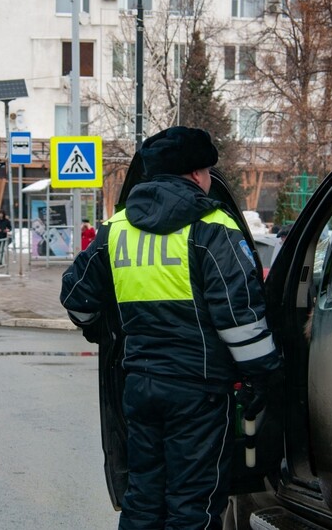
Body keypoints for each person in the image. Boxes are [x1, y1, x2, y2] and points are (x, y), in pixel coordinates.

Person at [60, 126, 282, 529]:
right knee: (192, 504)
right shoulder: (214, 227)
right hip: (199, 392)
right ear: (198, 175)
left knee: (143, 498)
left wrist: (103, 331)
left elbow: (77, 298)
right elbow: (239, 315)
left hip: (140, 387)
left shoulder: (117, 229)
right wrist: (262, 375)